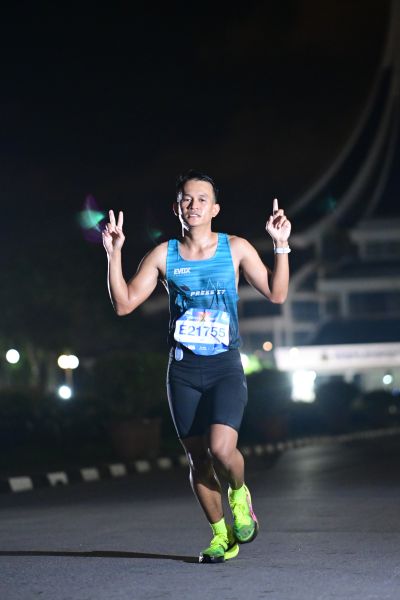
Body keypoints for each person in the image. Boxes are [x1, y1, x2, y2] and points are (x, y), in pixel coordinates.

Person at [102, 169, 291, 563]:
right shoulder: (163, 255)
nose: (193, 205)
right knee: (198, 459)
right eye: (186, 199)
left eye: (202, 199)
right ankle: (221, 536)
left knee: (221, 449)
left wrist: (281, 245)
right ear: (176, 208)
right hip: (183, 371)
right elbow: (123, 304)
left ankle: (239, 494)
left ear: (215, 208)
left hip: (224, 367)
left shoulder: (235, 248)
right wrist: (113, 253)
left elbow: (276, 293)